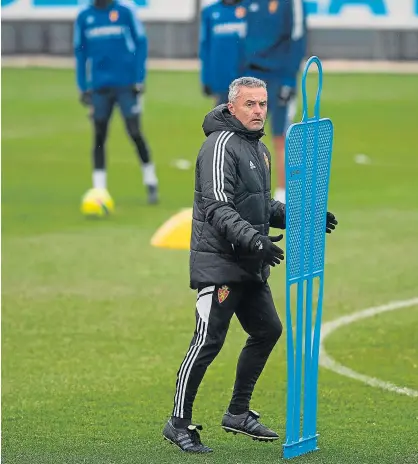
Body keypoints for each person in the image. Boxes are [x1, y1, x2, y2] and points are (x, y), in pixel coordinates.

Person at [162, 77, 337, 454]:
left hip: (250, 263)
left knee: (268, 331)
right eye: (250, 105)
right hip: (221, 263)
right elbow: (217, 207)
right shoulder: (219, 145)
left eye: (262, 104)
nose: (258, 111)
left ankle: (237, 412)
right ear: (231, 108)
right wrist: (256, 241)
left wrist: (304, 215)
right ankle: (177, 423)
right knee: (207, 342)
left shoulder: (257, 150)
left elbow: (261, 208)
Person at [74, 0, 159, 204]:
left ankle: (150, 180)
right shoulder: (85, 16)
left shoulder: (125, 12)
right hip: (100, 86)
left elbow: (140, 42)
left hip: (126, 85)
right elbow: (80, 52)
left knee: (134, 132)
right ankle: (99, 189)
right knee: (99, 135)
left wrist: (139, 78)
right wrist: (83, 86)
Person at [241, 0, 307, 203]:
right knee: (245, 135)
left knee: (281, 136)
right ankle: (246, 192)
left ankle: (283, 194)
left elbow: (298, 38)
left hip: (279, 77)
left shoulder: (292, 3)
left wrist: (289, 80)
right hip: (253, 74)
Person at [199, 0, 246, 107]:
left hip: (245, 77)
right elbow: (205, 48)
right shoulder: (210, 12)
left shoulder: (250, 9)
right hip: (220, 78)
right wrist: (206, 79)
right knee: (222, 118)